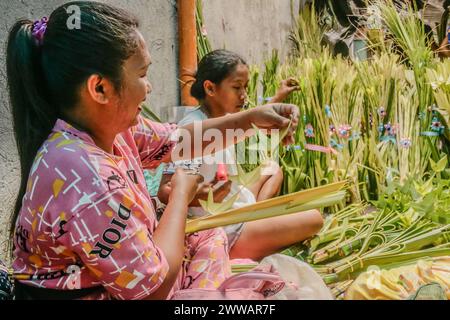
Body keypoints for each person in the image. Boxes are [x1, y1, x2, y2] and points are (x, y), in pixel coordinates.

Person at [6, 2, 298, 300]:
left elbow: (180, 140)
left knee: (208, 237)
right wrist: (181, 195)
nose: (149, 88)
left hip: (137, 280)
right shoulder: (84, 176)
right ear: (100, 89)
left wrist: (252, 120)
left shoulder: (115, 132)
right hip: (136, 293)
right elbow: (151, 291)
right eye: (143, 74)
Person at [158, 50, 323, 262]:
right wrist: (203, 197)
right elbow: (165, 191)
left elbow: (253, 122)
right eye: (236, 87)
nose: (243, 94)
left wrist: (278, 104)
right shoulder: (194, 127)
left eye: (245, 87)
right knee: (315, 218)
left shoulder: (224, 118)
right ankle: (247, 238)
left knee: (272, 169)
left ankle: (257, 218)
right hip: (219, 226)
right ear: (210, 88)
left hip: (234, 203)